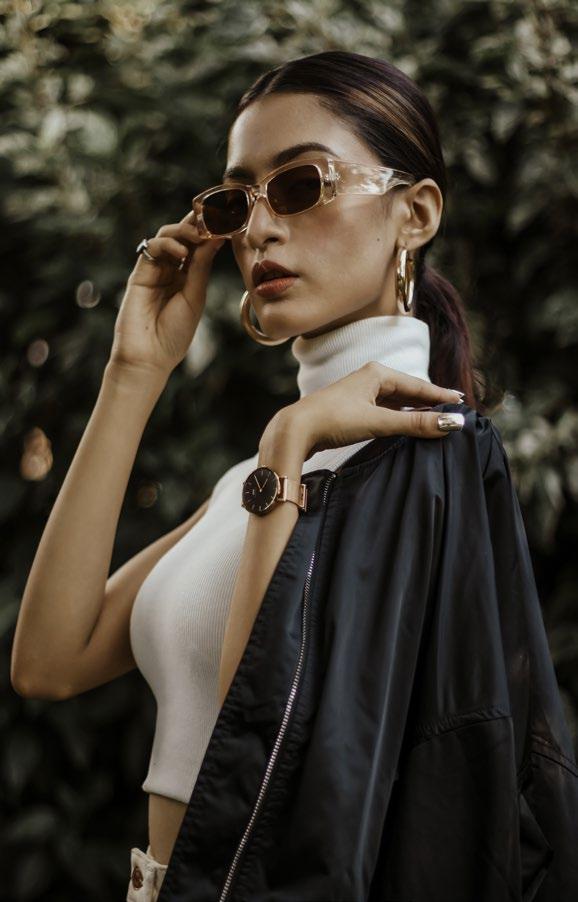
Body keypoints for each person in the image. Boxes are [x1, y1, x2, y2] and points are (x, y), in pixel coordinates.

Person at [14, 51, 573, 902]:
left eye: (302, 186)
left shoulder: (430, 461)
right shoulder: (258, 475)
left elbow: (267, 754)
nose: (259, 231)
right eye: (238, 201)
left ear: (415, 214)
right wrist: (135, 371)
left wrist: (290, 442)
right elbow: (51, 661)